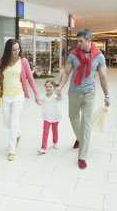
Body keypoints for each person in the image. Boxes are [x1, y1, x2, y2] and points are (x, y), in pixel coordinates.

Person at [56, 28, 110, 169]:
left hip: (89, 93)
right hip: (74, 92)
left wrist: (107, 95)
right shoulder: (73, 55)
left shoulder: (99, 56)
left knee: (86, 122)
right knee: (73, 118)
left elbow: (103, 76)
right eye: (77, 41)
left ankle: (82, 156)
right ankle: (80, 138)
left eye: (80, 41)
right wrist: (60, 86)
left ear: (89, 41)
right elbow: (66, 72)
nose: (77, 44)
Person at [0, 39, 39, 161]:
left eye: (18, 49)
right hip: (6, 96)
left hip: (18, 96)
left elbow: (30, 79)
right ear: (8, 51)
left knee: (13, 123)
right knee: (7, 123)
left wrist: (36, 95)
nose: (17, 52)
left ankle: (11, 151)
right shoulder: (3, 61)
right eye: (14, 50)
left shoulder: (23, 61)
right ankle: (17, 133)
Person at [36, 79, 62, 154]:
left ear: (54, 88)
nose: (48, 88)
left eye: (50, 87)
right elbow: (40, 103)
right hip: (46, 117)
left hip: (55, 116)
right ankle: (43, 148)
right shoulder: (43, 96)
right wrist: (37, 101)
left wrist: (60, 95)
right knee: (45, 132)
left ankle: (55, 142)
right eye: (47, 87)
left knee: (54, 130)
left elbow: (59, 99)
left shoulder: (54, 95)